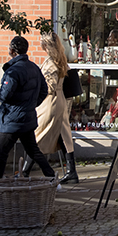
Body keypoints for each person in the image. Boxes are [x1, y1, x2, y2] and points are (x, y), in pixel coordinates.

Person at [0, 35, 56, 181]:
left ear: (12, 50)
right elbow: (44, 91)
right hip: (27, 118)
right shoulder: (34, 68)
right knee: (33, 151)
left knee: (1, 153)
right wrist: (30, 105)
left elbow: (3, 95)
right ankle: (52, 177)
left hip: (12, 120)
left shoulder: (13, 71)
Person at [21, 31, 79, 184]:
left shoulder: (51, 63)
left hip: (50, 102)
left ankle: (24, 173)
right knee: (64, 135)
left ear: (46, 45)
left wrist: (34, 86)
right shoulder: (60, 59)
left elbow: (50, 87)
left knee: (38, 136)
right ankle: (72, 172)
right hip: (59, 100)